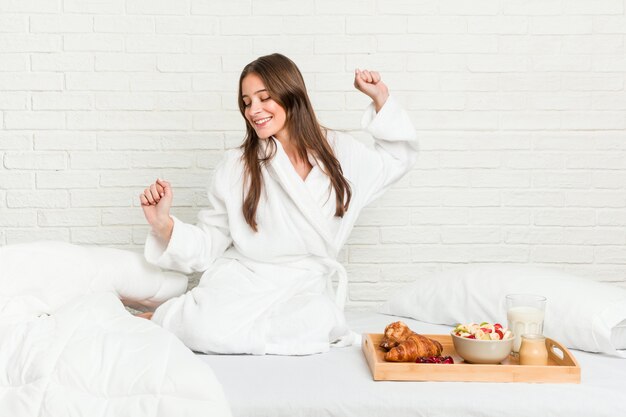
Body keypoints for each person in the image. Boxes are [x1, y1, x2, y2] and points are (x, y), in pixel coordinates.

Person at [139, 53, 417, 355]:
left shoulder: (341, 153)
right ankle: (170, 318)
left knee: (319, 318)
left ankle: (208, 326)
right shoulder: (237, 165)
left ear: (291, 94)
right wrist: (163, 224)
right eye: (246, 102)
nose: (253, 110)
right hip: (245, 280)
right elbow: (210, 244)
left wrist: (381, 99)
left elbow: (397, 159)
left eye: (264, 98)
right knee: (205, 323)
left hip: (303, 288)